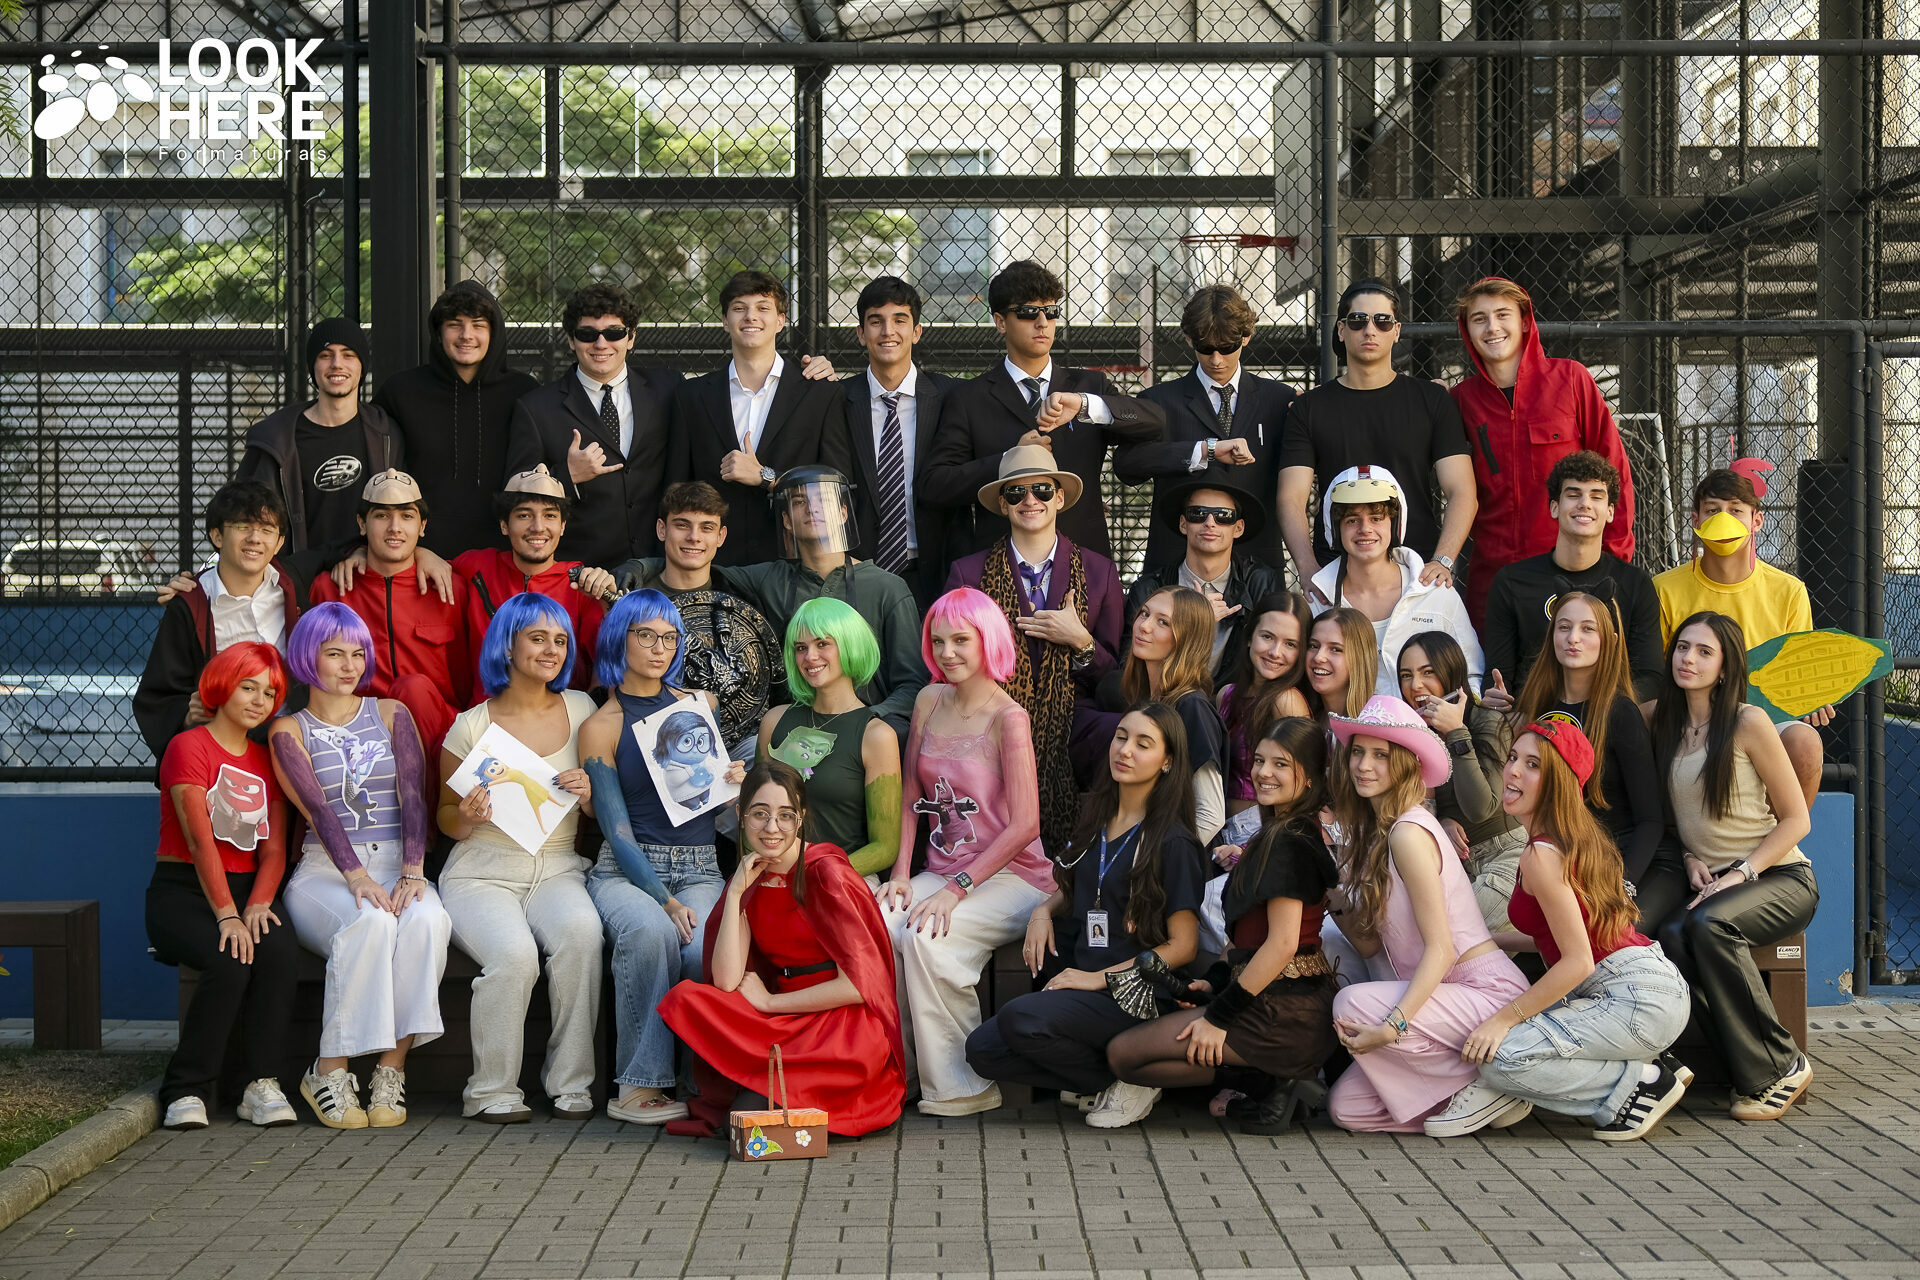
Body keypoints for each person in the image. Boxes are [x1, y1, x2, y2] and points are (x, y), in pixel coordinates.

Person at [1425, 718, 1691, 1141]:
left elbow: (1578, 961)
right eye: (1513, 758)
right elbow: (1565, 937)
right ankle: (1647, 1065)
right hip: (1644, 987)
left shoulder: (1542, 855)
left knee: (1500, 1057)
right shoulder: (1570, 839)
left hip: (1633, 996)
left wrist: (1502, 1021)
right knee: (1505, 1048)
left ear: (1558, 784)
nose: (1513, 771)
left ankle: (1640, 1084)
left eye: (1533, 765)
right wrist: (1489, 942)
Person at [967, 703, 1208, 1129]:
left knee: (1021, 1018)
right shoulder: (1098, 817)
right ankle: (1111, 1076)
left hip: (1135, 994)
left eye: (1143, 744)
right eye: (1121, 737)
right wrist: (1043, 910)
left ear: (1167, 762)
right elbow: (1080, 883)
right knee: (983, 1050)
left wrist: (1098, 979)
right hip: (1087, 985)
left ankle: (1136, 1074)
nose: (1125, 750)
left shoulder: (1173, 842)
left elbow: (1184, 945)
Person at [1106, 716, 1339, 1135]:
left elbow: (1283, 944)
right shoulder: (1277, 831)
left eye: (1281, 764)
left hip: (1285, 1014)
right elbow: (1246, 936)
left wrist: (1218, 1017)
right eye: (1260, 761)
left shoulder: (1291, 838)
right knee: (1127, 1054)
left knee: (1125, 1055)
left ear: (1308, 778)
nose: (1264, 773)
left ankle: (1273, 1077)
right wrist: (1214, 981)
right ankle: (1272, 1081)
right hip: (1275, 1002)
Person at [271, 605, 452, 1130]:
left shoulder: (392, 713)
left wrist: (413, 870)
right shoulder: (288, 729)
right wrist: (357, 877)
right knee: (370, 922)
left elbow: (414, 794)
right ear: (308, 657)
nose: (349, 666)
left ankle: (391, 1071)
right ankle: (328, 1070)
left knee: (427, 921)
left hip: (399, 863)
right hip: (327, 872)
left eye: (357, 653)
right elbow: (317, 810)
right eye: (335, 654)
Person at [657, 760, 907, 1138]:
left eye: (785, 816)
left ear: (800, 818)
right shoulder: (749, 877)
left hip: (839, 1023)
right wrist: (736, 893)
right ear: (741, 816)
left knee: (742, 1121)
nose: (772, 828)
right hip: (784, 1018)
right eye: (760, 814)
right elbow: (726, 981)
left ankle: (784, 1090)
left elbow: (858, 986)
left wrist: (771, 1003)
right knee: (686, 998)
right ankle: (771, 1084)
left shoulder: (827, 873)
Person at [882, 588, 1054, 1117]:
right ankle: (901, 1074)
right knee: (881, 920)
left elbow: (1026, 825)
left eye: (961, 639)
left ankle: (965, 1084)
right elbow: (911, 794)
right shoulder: (928, 700)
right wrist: (901, 873)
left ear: (988, 641)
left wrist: (957, 890)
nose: (948, 652)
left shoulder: (1009, 717)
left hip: (1015, 877)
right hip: (942, 869)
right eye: (938, 641)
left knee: (928, 936)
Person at [577, 590, 747, 1126]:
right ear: (619, 639)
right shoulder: (602, 725)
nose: (659, 648)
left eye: (669, 638)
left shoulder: (700, 706)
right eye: (645, 635)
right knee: (651, 933)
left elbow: (710, 797)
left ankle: (704, 1086)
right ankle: (637, 1086)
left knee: (706, 950)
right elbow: (616, 830)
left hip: (699, 864)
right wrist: (665, 901)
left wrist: (734, 784)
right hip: (626, 872)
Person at [1322, 697, 1530, 1133]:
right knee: (1347, 1109)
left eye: (1381, 755)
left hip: (1480, 993)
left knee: (1352, 1004)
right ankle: (1474, 1093)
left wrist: (1392, 1027)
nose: (1364, 765)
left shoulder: (1408, 833)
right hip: (1440, 999)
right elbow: (1371, 947)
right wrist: (1327, 886)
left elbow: (1442, 949)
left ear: (1405, 764)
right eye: (1358, 752)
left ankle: (1496, 1079)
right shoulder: (1375, 834)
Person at [1644, 611, 1818, 1120]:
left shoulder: (1748, 722)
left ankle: (1782, 1065)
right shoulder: (1662, 724)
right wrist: (1688, 857)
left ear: (1725, 667)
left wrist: (1742, 871)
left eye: (1705, 652)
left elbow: (1796, 820)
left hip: (1780, 877)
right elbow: (1668, 818)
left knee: (1710, 924)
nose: (1689, 659)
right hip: (1714, 884)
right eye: (1682, 647)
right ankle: (1739, 1066)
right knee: (1671, 934)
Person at [435, 594, 600, 1122]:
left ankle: (571, 1083)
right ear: (507, 645)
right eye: (537, 638)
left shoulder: (583, 709)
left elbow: (604, 808)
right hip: (483, 871)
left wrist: (590, 795)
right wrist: (467, 816)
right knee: (514, 956)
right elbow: (445, 817)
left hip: (558, 867)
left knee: (582, 936)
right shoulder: (470, 726)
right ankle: (490, 1091)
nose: (552, 649)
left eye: (560, 640)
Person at [146, 642, 300, 1131]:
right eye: (248, 687)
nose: (259, 700)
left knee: (279, 952)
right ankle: (186, 1088)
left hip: (248, 889)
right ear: (221, 686)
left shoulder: (265, 757)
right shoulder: (187, 746)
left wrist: (257, 903)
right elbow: (198, 842)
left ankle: (258, 1085)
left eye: (269, 692)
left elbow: (273, 850)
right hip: (183, 890)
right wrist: (227, 914)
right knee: (229, 959)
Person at [944, 446, 1125, 855]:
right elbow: (947, 662)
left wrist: (1080, 640)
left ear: (1058, 498)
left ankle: (1097, 853)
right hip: (991, 717)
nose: (1030, 500)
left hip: (1071, 716)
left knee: (1120, 733)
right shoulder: (968, 572)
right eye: (1016, 492)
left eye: (1042, 490)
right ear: (1003, 504)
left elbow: (1112, 675)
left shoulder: (1099, 571)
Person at [921, 258, 1165, 559]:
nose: (1042, 323)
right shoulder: (969, 398)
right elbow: (935, 485)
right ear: (1000, 321)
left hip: (1083, 561)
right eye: (1027, 313)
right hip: (1000, 566)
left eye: (1050, 312)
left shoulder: (1089, 385)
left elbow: (1155, 421)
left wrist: (1085, 404)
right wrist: (1008, 460)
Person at [1449, 277, 1637, 625]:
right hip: (1494, 577)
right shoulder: (1461, 400)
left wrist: (1613, 559)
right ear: (1467, 330)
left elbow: (1615, 472)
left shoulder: (1571, 380)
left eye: (1502, 315)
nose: (1492, 328)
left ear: (1524, 321)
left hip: (1572, 571)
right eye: (1479, 319)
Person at [1277, 280, 1476, 595]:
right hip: (1336, 574)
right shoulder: (1309, 407)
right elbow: (1291, 498)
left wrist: (1442, 560)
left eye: (1382, 321)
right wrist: (1308, 569)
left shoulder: (1432, 400)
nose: (1370, 330)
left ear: (1396, 331)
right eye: (1358, 320)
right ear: (1341, 330)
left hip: (1417, 573)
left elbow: (1462, 490)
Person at [1652, 467, 1825, 808]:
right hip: (1689, 717)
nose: (1723, 519)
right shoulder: (1663, 589)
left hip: (1766, 719)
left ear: (1756, 521)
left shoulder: (1789, 591)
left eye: (1735, 510)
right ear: (1695, 520)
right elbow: (1655, 675)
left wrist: (1814, 697)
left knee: (1805, 744)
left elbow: (1799, 672)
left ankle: (1783, 837)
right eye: (1712, 510)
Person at [716, 466, 926, 739]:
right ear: (786, 520)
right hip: (795, 734)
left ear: (843, 513)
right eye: (799, 502)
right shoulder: (770, 579)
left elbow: (912, 684)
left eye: (823, 500)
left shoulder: (887, 587)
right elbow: (695, 570)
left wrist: (865, 722)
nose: (812, 509)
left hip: (867, 732)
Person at [1114, 284, 1296, 571]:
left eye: (1227, 347)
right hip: (1178, 564)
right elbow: (1127, 465)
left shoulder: (1280, 399)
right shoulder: (1159, 400)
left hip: (1256, 563)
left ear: (1246, 336)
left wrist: (1316, 412)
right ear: (1188, 339)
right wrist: (1202, 451)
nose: (1216, 359)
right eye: (1206, 348)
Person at [666, 270, 842, 565]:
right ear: (725, 320)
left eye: (763, 308)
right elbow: (676, 489)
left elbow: (835, 485)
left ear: (781, 320)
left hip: (796, 563)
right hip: (713, 564)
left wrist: (765, 477)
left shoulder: (820, 393)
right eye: (739, 308)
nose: (751, 317)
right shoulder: (691, 396)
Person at [504, 283, 681, 570]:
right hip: (581, 570)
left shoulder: (668, 389)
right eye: (587, 334)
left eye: (614, 333)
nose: (601, 344)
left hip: (659, 564)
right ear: (571, 340)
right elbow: (515, 497)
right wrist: (568, 477)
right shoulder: (536, 408)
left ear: (631, 338)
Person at [135, 481, 312, 765]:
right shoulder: (191, 604)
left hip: (290, 731)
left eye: (267, 529)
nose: (255, 538)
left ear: (279, 542)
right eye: (242, 526)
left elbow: (340, 549)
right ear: (217, 535)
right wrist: (187, 713)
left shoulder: (292, 583)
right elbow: (159, 695)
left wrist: (358, 555)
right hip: (225, 739)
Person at [308, 469, 473, 760]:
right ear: (362, 523)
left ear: (422, 526)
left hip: (438, 737)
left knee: (413, 689)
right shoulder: (330, 588)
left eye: (407, 516)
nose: (395, 528)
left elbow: (469, 679)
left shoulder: (450, 587)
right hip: (357, 737)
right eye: (382, 516)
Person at [372, 280, 541, 557]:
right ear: (439, 332)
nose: (466, 335)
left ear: (494, 332)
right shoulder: (400, 392)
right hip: (419, 555)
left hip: (504, 557)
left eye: (478, 325)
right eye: (454, 324)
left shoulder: (524, 393)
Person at [1511, 593, 1666, 893]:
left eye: (1587, 628)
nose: (1573, 638)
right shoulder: (1538, 706)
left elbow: (1650, 821)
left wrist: (1622, 887)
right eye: (1564, 627)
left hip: (1626, 860)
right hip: (1564, 858)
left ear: (1609, 640)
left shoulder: (1620, 712)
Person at [611, 481, 780, 753]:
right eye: (682, 525)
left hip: (739, 744)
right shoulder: (632, 599)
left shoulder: (743, 597)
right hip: (652, 741)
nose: (694, 537)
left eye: (707, 527)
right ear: (662, 529)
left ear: (721, 536)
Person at [824, 276, 959, 608]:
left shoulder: (951, 396)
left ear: (917, 331)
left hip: (935, 568)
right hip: (858, 571)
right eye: (876, 321)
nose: (888, 331)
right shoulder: (838, 399)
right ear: (861, 334)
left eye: (900, 320)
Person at [1481, 450, 1662, 696]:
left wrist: (1598, 711)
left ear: (1610, 512)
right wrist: (1501, 704)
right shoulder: (1512, 582)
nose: (1584, 503)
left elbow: (1650, 678)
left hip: (1607, 713)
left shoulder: (1635, 584)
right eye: (1574, 494)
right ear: (1554, 507)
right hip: (1531, 713)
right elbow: (1499, 675)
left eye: (1596, 496)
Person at [1309, 464, 1483, 697]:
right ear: (1335, 528)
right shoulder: (1318, 600)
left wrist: (1460, 712)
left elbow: (1472, 674)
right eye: (1351, 520)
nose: (1365, 529)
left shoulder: (1435, 592)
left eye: (1376, 518)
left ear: (1395, 523)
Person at [757, 599, 902, 878]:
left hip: (842, 879)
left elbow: (885, 847)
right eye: (801, 648)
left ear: (850, 645)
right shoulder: (774, 722)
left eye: (822, 643)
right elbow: (754, 819)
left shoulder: (877, 736)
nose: (809, 656)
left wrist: (815, 874)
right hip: (772, 876)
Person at [237, 317, 403, 552]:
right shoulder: (276, 439)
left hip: (367, 569)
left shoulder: (387, 436)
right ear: (313, 366)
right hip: (298, 571)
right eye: (325, 355)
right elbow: (241, 520)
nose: (337, 364)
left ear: (362, 366)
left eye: (348, 355)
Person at [1397, 631, 1525, 933]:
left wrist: (1456, 732)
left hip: (1505, 854)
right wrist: (1441, 820)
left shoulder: (1486, 720)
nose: (1415, 685)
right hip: (1455, 866)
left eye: (1428, 672)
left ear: (1452, 674)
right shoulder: (1409, 733)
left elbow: (1481, 808)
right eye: (1406, 675)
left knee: (1448, 938)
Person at [449, 466, 609, 695]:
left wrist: (610, 607)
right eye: (524, 515)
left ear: (563, 526)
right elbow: (416, 568)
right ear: (504, 525)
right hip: (484, 712)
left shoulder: (581, 583)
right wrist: (425, 556)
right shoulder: (478, 566)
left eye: (550, 515)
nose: (538, 527)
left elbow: (608, 662)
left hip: (561, 712)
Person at [1125, 474, 1281, 686]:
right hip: (1166, 697)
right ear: (1183, 524)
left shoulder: (1259, 581)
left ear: (1238, 528)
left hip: (1234, 700)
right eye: (1197, 514)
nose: (1210, 523)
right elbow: (1130, 669)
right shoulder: (1150, 588)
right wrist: (1196, 623)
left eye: (1223, 516)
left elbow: (1272, 662)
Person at [1104, 587, 1229, 844]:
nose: (1144, 626)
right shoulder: (1144, 699)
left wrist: (1151, 859)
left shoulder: (1192, 707)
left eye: (1163, 622)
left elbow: (1210, 815)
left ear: (1187, 639)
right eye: (1144, 614)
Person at [1219, 591, 1315, 813]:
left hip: (1262, 827)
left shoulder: (1286, 700)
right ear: (1250, 637)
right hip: (1219, 824)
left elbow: (1300, 784)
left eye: (1290, 644)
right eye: (1268, 637)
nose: (1275, 652)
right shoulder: (1226, 695)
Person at [1303, 607, 1378, 726]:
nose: (1318, 657)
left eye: (1335, 649)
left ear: (1359, 658)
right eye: (1314, 646)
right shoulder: (1302, 715)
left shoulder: (1378, 721)